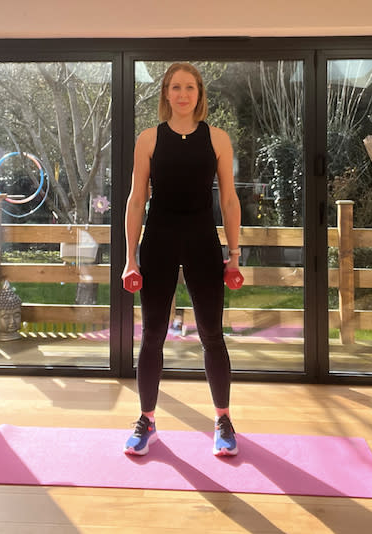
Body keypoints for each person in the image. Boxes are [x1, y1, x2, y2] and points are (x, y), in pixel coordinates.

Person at [121, 62, 243, 457]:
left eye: (189, 87)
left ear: (199, 93)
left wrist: (235, 253)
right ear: (166, 94)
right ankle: (146, 421)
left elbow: (228, 198)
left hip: (202, 243)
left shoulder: (219, 139)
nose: (182, 94)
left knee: (212, 334)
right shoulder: (148, 140)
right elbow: (137, 198)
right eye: (175, 87)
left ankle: (223, 419)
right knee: (153, 334)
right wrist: (129, 257)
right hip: (158, 241)